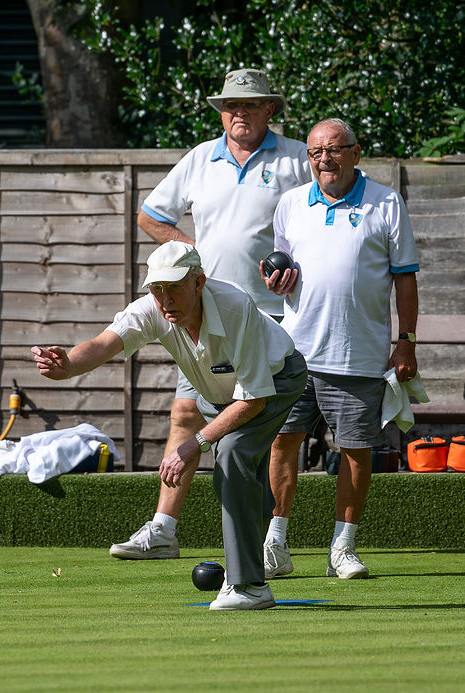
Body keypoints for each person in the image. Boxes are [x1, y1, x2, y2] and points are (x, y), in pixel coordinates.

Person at [33, 241, 307, 610]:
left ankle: (248, 587)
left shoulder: (234, 306)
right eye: (157, 289)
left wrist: (196, 442)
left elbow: (253, 399)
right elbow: (103, 344)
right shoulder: (152, 309)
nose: (166, 299)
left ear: (199, 282)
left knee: (232, 452)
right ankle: (264, 561)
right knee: (245, 473)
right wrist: (68, 365)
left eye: (175, 286)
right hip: (219, 394)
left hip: (275, 382)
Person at [110, 68, 311, 560]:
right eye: (230, 106)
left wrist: (298, 266)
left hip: (274, 315)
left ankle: (273, 542)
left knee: (279, 429)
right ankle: (162, 530)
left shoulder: (296, 158)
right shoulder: (201, 157)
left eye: (249, 104)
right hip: (204, 315)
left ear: (270, 109)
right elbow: (150, 216)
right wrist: (190, 252)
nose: (238, 113)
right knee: (184, 413)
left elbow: (319, 217)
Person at [260, 118, 419, 580]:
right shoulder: (290, 203)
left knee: (355, 450)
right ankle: (276, 543)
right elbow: (277, 267)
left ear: (355, 152)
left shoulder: (387, 202)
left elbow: (405, 279)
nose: (324, 159)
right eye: (315, 152)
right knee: (282, 442)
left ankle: (342, 549)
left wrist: (406, 342)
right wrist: (273, 278)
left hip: (358, 353)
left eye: (333, 149)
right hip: (294, 353)